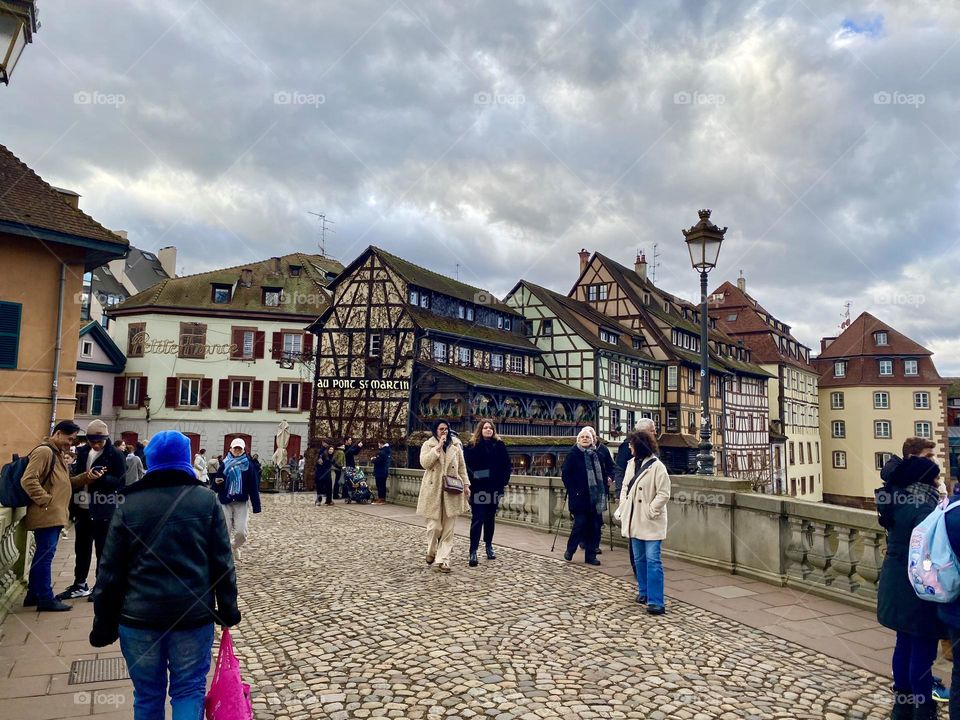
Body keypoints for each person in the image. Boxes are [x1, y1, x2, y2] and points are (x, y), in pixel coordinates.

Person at [89, 430, 240, 719]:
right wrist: (228, 610)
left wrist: (104, 623)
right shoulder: (205, 501)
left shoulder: (127, 504)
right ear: (185, 459)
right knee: (188, 690)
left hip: (139, 618)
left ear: (151, 460)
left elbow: (109, 571)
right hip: (192, 616)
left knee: (147, 696)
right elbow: (222, 563)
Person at [877, 437, 944, 719]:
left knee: (904, 644)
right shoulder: (925, 508)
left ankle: (902, 704)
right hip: (918, 586)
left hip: (895, 580)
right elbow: (935, 553)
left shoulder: (896, 498)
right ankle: (922, 707)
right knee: (923, 650)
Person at [19, 420, 104, 611]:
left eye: (74, 440)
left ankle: (33, 594)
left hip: (53, 513)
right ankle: (45, 598)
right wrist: (46, 500)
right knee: (45, 556)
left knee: (42, 555)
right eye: (69, 438)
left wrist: (86, 477)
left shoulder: (56, 453)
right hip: (47, 513)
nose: (71, 443)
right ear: (58, 433)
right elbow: (28, 479)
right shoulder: (45, 452)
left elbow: (64, 483)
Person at [56, 419, 127, 601]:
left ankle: (100, 585)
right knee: (81, 547)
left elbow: (120, 483)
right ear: (87, 439)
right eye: (92, 441)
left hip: (103, 509)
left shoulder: (116, 455)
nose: (96, 444)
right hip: (82, 508)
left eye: (100, 441)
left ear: (106, 438)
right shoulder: (82, 452)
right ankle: (80, 584)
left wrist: (100, 478)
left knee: (103, 550)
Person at [616, 429, 671, 615]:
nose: (629, 448)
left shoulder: (657, 467)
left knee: (653, 560)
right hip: (634, 519)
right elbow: (625, 486)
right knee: (639, 559)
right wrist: (623, 505)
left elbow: (664, 493)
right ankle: (643, 591)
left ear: (638, 446)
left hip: (650, 521)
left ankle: (656, 601)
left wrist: (651, 510)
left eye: (631, 445)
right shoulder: (631, 464)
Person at [417, 420, 470, 573]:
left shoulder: (456, 445)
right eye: (441, 429)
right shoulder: (428, 445)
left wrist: (466, 485)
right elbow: (424, 463)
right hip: (433, 490)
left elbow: (462, 467)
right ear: (435, 430)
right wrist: (438, 448)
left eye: (446, 429)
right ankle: (431, 551)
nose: (444, 432)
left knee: (448, 529)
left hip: (452, 490)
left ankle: (443, 560)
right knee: (434, 527)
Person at [463, 420, 511, 567]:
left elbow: (507, 466)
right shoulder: (472, 447)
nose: (488, 430)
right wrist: (484, 474)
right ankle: (473, 551)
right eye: (485, 427)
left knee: (490, 519)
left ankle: (489, 546)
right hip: (478, 489)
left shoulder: (500, 446)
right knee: (478, 519)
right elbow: (467, 468)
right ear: (480, 430)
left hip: (494, 489)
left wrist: (502, 481)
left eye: (491, 428)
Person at [211, 438, 262, 561]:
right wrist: (217, 483)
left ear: (244, 450)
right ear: (230, 449)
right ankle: (225, 556)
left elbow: (253, 487)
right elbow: (214, 487)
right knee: (225, 530)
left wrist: (256, 505)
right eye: (235, 448)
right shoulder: (223, 465)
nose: (237, 451)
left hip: (241, 501)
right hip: (225, 501)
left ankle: (233, 546)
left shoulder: (249, 466)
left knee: (242, 532)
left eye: (240, 449)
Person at [561, 427, 605, 566]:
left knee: (594, 526)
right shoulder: (573, 454)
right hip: (579, 497)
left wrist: (605, 486)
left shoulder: (596, 455)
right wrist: (574, 490)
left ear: (592, 441)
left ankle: (590, 556)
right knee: (580, 524)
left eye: (588, 437)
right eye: (582, 437)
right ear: (578, 440)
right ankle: (570, 549)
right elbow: (566, 475)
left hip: (594, 498)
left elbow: (602, 474)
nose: (585, 439)